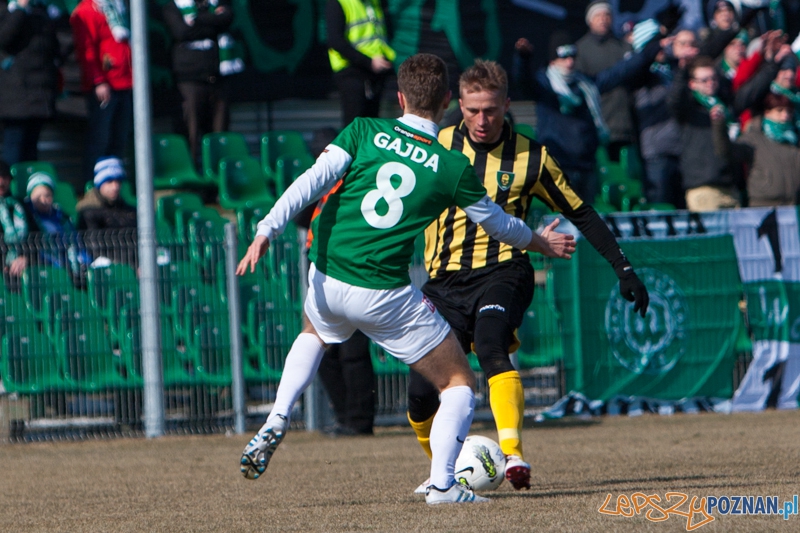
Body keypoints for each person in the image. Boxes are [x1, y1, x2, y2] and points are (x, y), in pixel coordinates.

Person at [236, 53, 576, 505]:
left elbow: (312, 180)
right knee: (458, 382)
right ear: (447, 104)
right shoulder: (450, 166)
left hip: (327, 274)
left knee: (314, 332)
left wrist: (266, 229)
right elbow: (499, 225)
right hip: (381, 291)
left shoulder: (362, 130)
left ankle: (278, 416)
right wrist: (539, 242)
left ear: (399, 98)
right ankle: (442, 486)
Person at [405, 60, 650, 493]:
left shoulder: (532, 157)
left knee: (492, 343)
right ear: (458, 105)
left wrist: (623, 267)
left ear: (506, 105)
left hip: (505, 270)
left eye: (492, 111)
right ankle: (444, 475)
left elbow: (581, 212)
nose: (483, 120)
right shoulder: (435, 145)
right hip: (443, 283)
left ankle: (513, 454)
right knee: (420, 393)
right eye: (474, 110)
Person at [514, 29, 664, 202]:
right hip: (556, 166)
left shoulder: (586, 85)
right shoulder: (544, 87)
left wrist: (656, 43)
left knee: (587, 220)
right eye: (563, 58)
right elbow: (523, 82)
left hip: (586, 165)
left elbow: (622, 71)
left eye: (572, 57)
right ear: (552, 60)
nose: (569, 63)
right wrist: (522, 58)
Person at [162, 0, 239, 162]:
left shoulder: (217, 3)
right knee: (191, 131)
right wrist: (213, 21)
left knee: (219, 134)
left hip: (218, 78)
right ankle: (191, 176)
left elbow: (227, 19)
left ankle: (217, 177)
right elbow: (181, 32)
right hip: (189, 80)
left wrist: (197, 21)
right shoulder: (173, 6)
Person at [70, 0, 133, 185]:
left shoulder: (118, 8)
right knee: (100, 139)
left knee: (119, 138)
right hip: (104, 85)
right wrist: (98, 80)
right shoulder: (86, 11)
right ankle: (92, 185)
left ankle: (116, 186)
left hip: (125, 83)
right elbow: (85, 50)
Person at [0, 0, 65, 165]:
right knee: (13, 152)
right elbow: (4, 38)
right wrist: (20, 9)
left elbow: (56, 48)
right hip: (15, 99)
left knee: (31, 153)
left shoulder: (42, 11)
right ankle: (10, 190)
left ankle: (29, 188)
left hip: (39, 98)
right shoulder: (8, 10)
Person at [713, 92, 800, 206]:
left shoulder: (795, 139)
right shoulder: (753, 138)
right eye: (779, 110)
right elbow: (726, 151)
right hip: (763, 205)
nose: (785, 115)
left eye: (789, 111)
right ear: (767, 112)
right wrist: (719, 125)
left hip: (794, 206)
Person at [575, 0, 635, 159]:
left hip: (628, 124)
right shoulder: (581, 50)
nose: (603, 19)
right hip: (600, 125)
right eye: (598, 16)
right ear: (590, 20)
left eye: (607, 15)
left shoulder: (624, 47)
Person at [326, 0, 395, 126]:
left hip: (375, 73)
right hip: (351, 72)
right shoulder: (339, 3)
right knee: (355, 125)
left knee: (372, 126)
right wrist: (369, 62)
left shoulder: (374, 3)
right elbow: (335, 41)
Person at [22, 171, 90, 275]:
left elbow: (76, 243)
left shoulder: (63, 219)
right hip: (45, 269)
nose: (43, 200)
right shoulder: (27, 220)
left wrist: (84, 262)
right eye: (38, 196)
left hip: (68, 268)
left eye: (47, 195)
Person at [76, 156, 136, 264]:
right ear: (99, 183)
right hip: (111, 270)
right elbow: (95, 249)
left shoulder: (130, 211)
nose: (115, 187)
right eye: (109, 181)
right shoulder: (88, 213)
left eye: (118, 181)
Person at [0, 159, 27, 281]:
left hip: (22, 267)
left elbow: (36, 239)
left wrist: (24, 257)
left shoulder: (21, 206)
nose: (1, 182)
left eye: (5, 177)